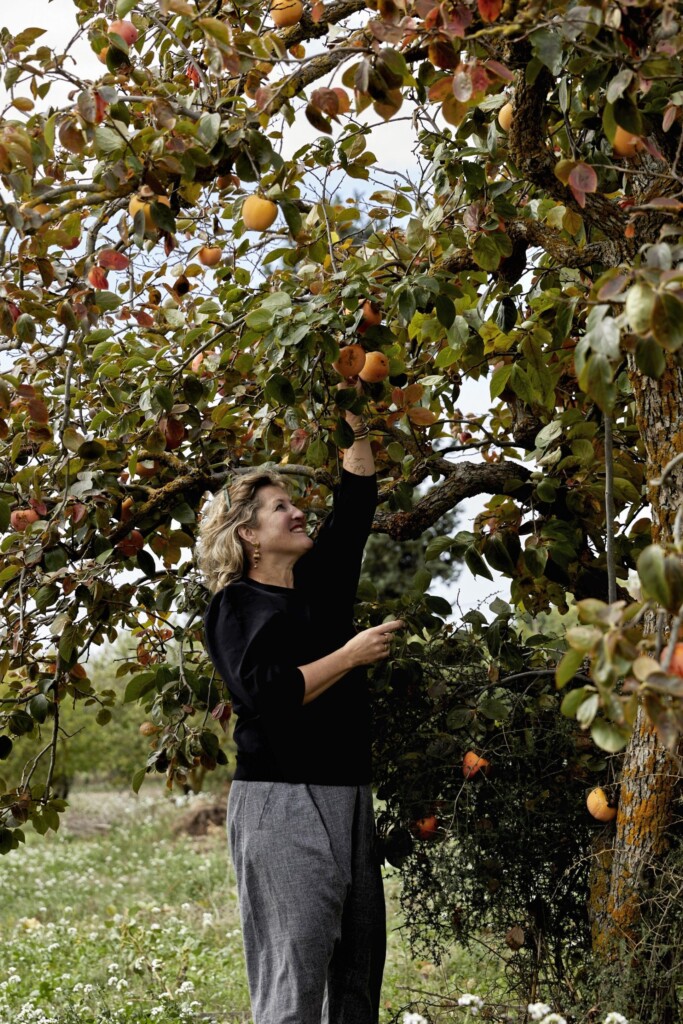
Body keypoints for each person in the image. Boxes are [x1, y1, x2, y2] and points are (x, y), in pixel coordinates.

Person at [198, 393, 403, 1024]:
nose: (296, 510)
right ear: (249, 536)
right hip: (281, 801)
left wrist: (357, 417)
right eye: (278, 507)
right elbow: (268, 697)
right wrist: (348, 656)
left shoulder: (319, 586)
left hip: (348, 793)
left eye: (293, 501)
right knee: (295, 973)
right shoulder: (236, 608)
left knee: (356, 974)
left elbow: (357, 499)